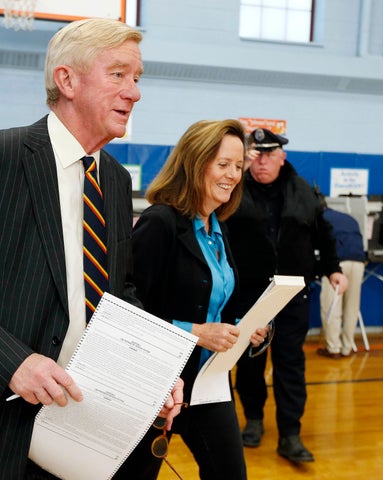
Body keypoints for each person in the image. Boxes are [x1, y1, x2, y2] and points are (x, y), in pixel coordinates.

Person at [0, 18, 183, 480]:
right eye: (118, 74)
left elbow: (119, 289)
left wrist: (148, 369)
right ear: (66, 80)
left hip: (80, 427)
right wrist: (12, 362)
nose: (134, 92)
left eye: (137, 78)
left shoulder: (115, 179)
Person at [116, 119, 269, 480]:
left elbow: (215, 308)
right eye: (223, 164)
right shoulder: (161, 223)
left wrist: (244, 330)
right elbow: (125, 312)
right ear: (195, 163)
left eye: (237, 165)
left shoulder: (218, 230)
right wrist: (195, 333)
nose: (233, 175)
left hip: (209, 382)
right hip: (158, 384)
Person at [225, 128, 348, 463]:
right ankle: (252, 420)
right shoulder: (234, 190)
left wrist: (334, 268)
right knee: (250, 361)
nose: (262, 161)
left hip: (293, 293)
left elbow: (325, 235)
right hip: (250, 292)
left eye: (269, 155)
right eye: (256, 155)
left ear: (282, 157)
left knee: (290, 363)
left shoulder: (304, 192)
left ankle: (290, 434)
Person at [318, 202, 366, 359]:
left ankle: (333, 348)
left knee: (332, 306)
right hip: (359, 262)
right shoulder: (348, 217)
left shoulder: (319, 218)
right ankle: (347, 347)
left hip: (338, 264)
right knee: (352, 306)